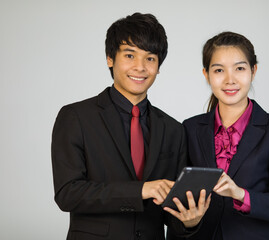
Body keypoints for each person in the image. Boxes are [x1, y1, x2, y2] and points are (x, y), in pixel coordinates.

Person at [51, 13, 209, 240]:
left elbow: (171, 210)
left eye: (150, 58)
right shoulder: (75, 117)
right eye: (129, 55)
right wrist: (140, 190)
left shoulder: (173, 130)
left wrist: (190, 221)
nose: (140, 67)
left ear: (158, 66)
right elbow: (68, 193)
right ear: (110, 58)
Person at [167, 32, 269, 239]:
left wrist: (240, 194)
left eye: (239, 68)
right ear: (206, 74)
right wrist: (188, 221)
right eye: (219, 70)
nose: (230, 80)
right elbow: (177, 199)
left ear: (253, 71)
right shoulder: (190, 128)